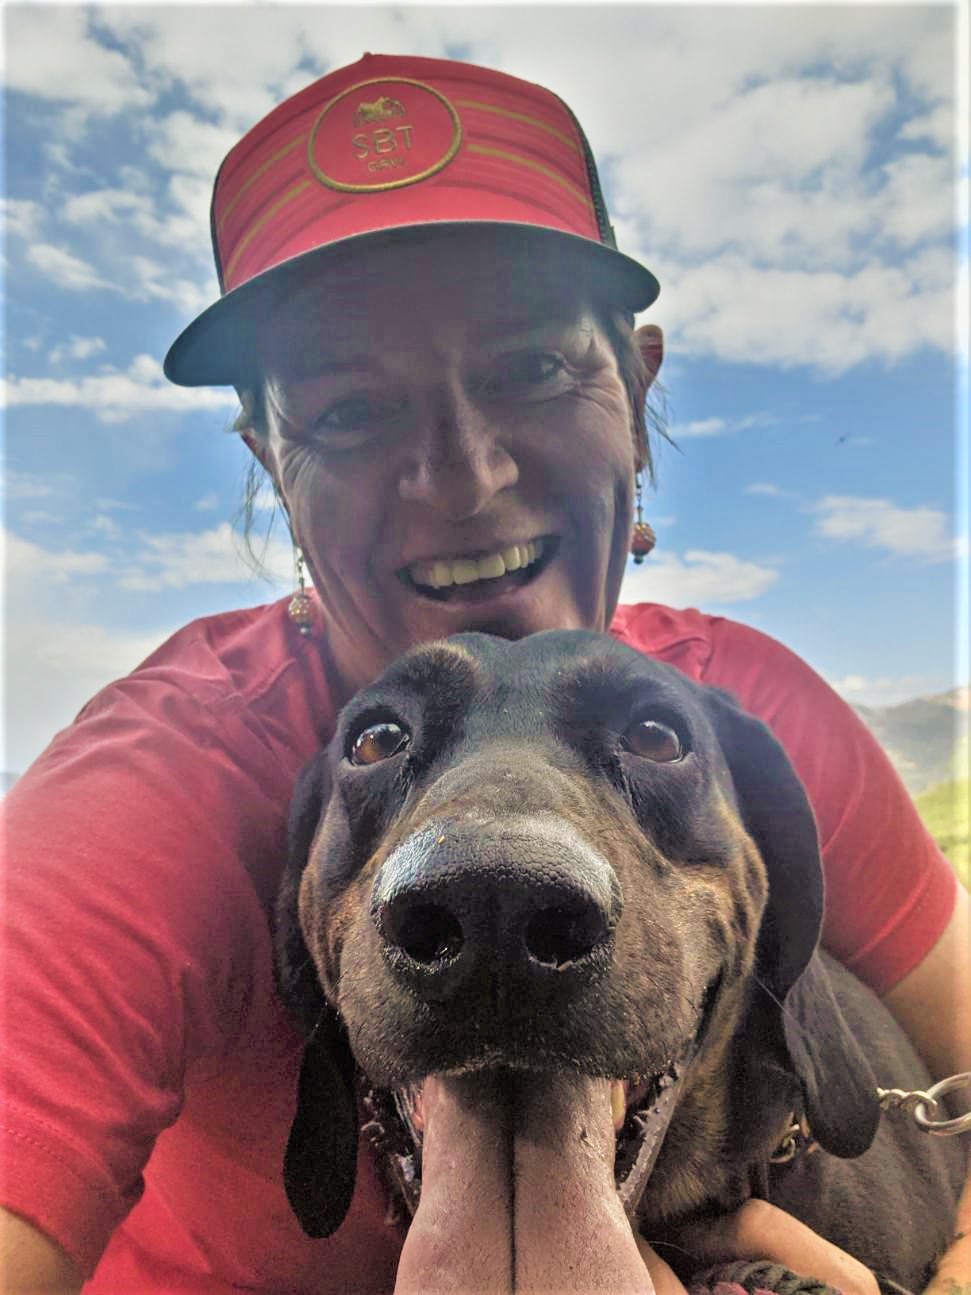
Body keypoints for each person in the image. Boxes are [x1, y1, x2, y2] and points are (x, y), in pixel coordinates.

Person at [1, 51, 968, 1295]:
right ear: (271, 464)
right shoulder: (155, 792)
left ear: (635, 384)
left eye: (528, 369)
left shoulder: (757, 705)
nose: (461, 477)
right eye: (350, 412)